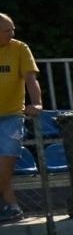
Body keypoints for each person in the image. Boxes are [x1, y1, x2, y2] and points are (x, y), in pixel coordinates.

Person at [0, 14, 44, 224]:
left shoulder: (20, 48)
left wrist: (36, 103)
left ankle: (12, 206)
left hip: (11, 116)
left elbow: (30, 79)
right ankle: (11, 206)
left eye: (12, 29)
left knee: (5, 164)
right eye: (7, 30)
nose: (12, 33)